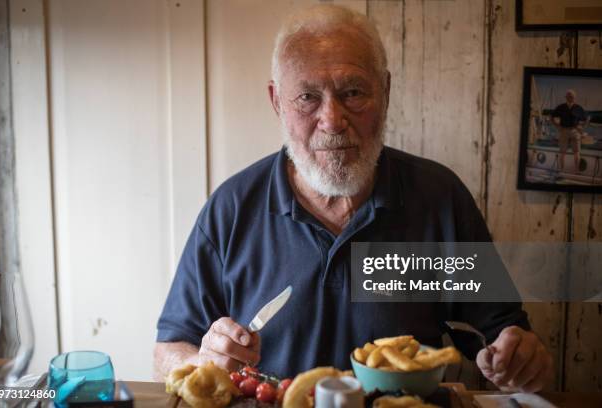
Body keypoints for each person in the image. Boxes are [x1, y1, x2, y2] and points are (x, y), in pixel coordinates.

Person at [154, 5, 552, 392]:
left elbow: (500, 333)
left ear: (386, 92)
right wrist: (201, 362)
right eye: (308, 97)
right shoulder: (231, 209)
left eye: (353, 92)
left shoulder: (440, 198)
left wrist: (518, 357)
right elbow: (167, 351)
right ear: (277, 101)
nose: (332, 120)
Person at [552, 89, 587, 172]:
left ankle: (576, 170)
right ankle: (562, 170)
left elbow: (585, 119)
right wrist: (557, 126)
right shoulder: (561, 107)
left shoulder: (579, 108)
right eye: (569, 96)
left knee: (577, 152)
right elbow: (551, 117)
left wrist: (580, 127)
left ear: (575, 97)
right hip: (563, 131)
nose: (570, 98)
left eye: (572, 96)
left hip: (575, 131)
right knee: (562, 152)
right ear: (566, 97)